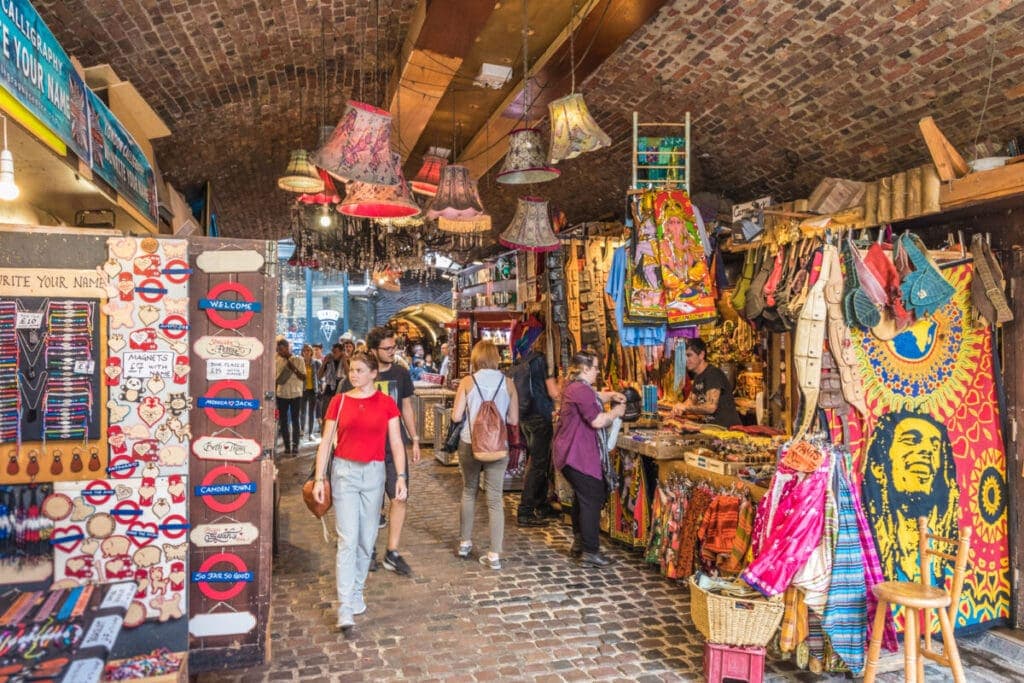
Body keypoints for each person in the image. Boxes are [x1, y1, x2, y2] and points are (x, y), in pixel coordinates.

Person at [311, 351, 407, 631]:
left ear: (374, 373)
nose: (354, 375)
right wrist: (319, 479)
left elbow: (396, 443)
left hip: (374, 473)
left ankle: (357, 590)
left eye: (360, 370)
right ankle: (345, 605)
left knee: (367, 539)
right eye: (352, 370)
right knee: (347, 538)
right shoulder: (339, 402)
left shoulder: (386, 403)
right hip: (344, 473)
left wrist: (400, 476)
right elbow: (326, 442)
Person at [338, 326, 420, 576]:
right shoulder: (356, 378)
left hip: (393, 448)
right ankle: (369, 549)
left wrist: (414, 438)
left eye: (394, 347)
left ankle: (392, 552)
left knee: (400, 496)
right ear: (374, 350)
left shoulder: (401, 373)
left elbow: (406, 407)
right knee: (369, 504)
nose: (392, 352)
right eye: (387, 348)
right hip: (366, 450)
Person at [862, 410, 959, 584]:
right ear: (879, 466)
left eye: (935, 446)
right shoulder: (866, 550)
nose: (927, 450)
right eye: (912, 440)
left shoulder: (945, 563)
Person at [450, 340, 520, 570]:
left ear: (476, 358)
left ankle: (464, 542)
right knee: (494, 499)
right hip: (498, 446)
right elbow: (513, 420)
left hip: (470, 443)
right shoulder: (508, 383)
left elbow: (456, 416)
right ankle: (494, 554)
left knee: (469, 491)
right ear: (496, 358)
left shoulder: (468, 382)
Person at [552, 351, 625, 568]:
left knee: (582, 498)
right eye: (595, 367)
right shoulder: (580, 389)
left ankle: (579, 543)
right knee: (591, 497)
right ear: (585, 369)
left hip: (570, 453)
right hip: (577, 454)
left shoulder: (572, 386)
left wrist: (610, 395)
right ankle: (590, 551)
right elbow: (597, 420)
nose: (598, 371)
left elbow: (593, 398)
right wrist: (616, 412)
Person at [515, 329, 560, 527]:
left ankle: (541, 504)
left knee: (537, 461)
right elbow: (553, 391)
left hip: (525, 416)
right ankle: (525, 510)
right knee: (539, 464)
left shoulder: (523, 360)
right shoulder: (542, 361)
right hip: (540, 416)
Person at [670, 338, 741, 428]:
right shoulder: (698, 377)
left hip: (727, 431)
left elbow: (711, 407)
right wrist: (678, 408)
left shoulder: (713, 374)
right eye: (684, 356)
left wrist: (685, 408)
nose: (685, 360)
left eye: (689, 355)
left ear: (701, 355)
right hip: (713, 429)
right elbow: (691, 401)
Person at [274, 338, 305, 455]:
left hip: (296, 394)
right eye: (278, 350)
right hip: (281, 394)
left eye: (281, 349)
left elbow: (303, 377)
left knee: (295, 420)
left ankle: (295, 446)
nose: (280, 352)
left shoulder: (299, 360)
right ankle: (287, 446)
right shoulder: (276, 361)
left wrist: (293, 368)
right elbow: (276, 379)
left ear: (287, 348)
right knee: (283, 421)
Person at [300, 344, 321, 440]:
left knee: (311, 413)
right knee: (302, 412)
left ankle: (310, 433)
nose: (306, 352)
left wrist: (320, 388)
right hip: (303, 390)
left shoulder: (316, 363)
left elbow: (320, 376)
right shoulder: (300, 362)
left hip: (313, 390)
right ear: (302, 352)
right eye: (304, 350)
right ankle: (302, 431)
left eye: (308, 350)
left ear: (311, 352)